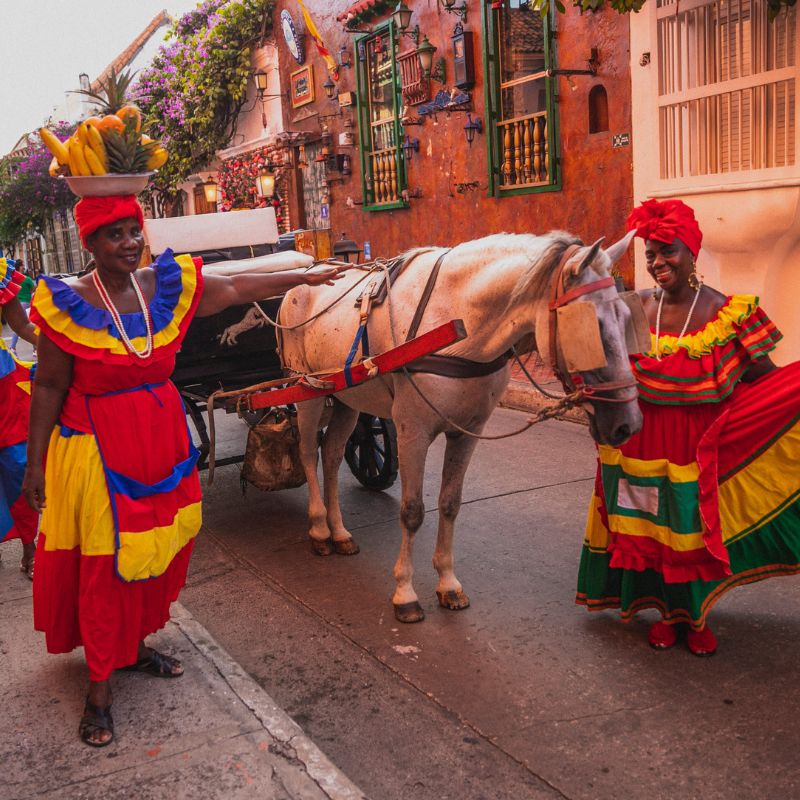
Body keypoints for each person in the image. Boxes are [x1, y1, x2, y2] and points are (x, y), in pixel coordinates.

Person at [22, 194, 348, 747]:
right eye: (113, 235)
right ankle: (98, 690)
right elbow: (50, 385)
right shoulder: (66, 302)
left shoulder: (163, 286)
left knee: (157, 551)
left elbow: (238, 288)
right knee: (107, 566)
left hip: (159, 440)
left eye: (133, 230)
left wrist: (307, 273)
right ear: (90, 243)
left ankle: (135, 647)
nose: (128, 243)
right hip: (96, 452)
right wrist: (35, 465)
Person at [576, 198, 800, 656]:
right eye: (650, 255)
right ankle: (662, 612)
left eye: (667, 251)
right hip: (639, 443)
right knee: (647, 529)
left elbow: (768, 380)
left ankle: (694, 617)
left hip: (695, 452)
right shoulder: (633, 308)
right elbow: (599, 363)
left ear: (692, 252)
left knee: (689, 534)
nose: (658, 263)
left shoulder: (727, 315)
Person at [0, 258, 39, 578]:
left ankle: (30, 545)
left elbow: (23, 327)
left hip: (3, 389)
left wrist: (65, 347)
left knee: (16, 466)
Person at [9, 266, 35, 355]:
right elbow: (33, 289)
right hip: (26, 303)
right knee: (28, 325)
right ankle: (35, 348)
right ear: (20, 267)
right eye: (23, 265)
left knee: (19, 326)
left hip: (17, 304)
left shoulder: (12, 279)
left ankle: (13, 347)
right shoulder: (27, 279)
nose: (24, 267)